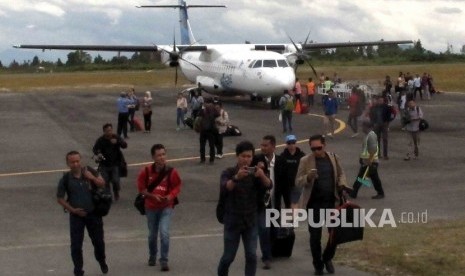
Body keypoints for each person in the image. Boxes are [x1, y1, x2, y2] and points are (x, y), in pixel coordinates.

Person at [292, 134, 350, 275]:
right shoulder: (305, 161)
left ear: (324, 145)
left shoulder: (333, 158)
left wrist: (342, 185)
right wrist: (308, 177)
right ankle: (318, 264)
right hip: (314, 204)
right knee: (315, 237)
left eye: (319, 148)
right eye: (313, 149)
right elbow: (298, 181)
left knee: (335, 235)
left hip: (332, 202)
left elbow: (341, 174)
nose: (316, 151)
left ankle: (327, 257)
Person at [217, 140, 272, 276]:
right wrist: (236, 178)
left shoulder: (255, 173)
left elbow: (269, 185)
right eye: (243, 156)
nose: (246, 159)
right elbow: (225, 187)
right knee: (228, 257)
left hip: (250, 220)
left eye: (249, 156)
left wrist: (262, 175)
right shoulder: (229, 172)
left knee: (252, 255)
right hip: (233, 221)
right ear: (237, 156)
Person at [56, 151, 108, 276]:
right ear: (68, 163)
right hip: (76, 216)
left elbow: (102, 183)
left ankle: (101, 260)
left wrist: (91, 177)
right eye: (72, 162)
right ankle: (78, 269)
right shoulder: (66, 178)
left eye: (77, 161)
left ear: (81, 161)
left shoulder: (89, 171)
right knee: (76, 245)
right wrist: (72, 210)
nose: (75, 164)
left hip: (93, 214)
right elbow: (60, 198)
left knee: (98, 242)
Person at [136, 144, 182, 272]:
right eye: (159, 155)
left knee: (164, 233)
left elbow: (177, 186)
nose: (162, 157)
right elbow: (141, 189)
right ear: (153, 157)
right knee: (152, 234)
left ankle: (164, 260)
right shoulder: (145, 172)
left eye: (163, 154)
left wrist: (169, 196)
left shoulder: (172, 172)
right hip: (150, 207)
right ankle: (152, 255)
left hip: (166, 207)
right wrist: (152, 196)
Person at [253, 135, 284, 269]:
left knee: (274, 229)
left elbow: (285, 185)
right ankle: (267, 257)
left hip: (275, 201)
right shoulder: (256, 160)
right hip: (261, 202)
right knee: (264, 228)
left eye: (266, 145)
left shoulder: (281, 161)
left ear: (273, 146)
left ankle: (270, 251)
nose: (263, 148)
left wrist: (289, 204)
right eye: (262, 145)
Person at [349, 121, 385, 199]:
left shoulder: (371, 136)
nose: (362, 128)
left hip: (370, 162)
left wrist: (369, 160)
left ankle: (354, 192)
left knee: (362, 177)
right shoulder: (368, 135)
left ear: (368, 127)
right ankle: (379, 192)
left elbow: (373, 149)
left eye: (363, 127)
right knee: (371, 178)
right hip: (368, 161)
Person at [92, 123, 128, 200]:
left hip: (115, 163)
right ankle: (108, 195)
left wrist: (118, 142)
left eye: (110, 130)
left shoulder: (116, 137)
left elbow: (125, 145)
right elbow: (95, 149)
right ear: (104, 132)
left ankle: (116, 191)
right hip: (104, 164)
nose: (110, 132)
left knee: (115, 180)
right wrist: (98, 153)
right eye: (107, 131)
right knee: (106, 180)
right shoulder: (100, 140)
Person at [279, 134, 305, 209]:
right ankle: (291, 217)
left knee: (294, 201)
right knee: (288, 202)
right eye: (289, 143)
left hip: (297, 183)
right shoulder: (283, 156)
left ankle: (294, 219)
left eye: (293, 142)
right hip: (285, 183)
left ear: (296, 143)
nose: (291, 145)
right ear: (286, 144)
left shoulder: (301, 155)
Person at [369, 96, 391, 160]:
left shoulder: (387, 107)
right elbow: (371, 115)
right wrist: (373, 122)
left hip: (384, 124)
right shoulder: (374, 108)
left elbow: (389, 116)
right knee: (377, 139)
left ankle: (385, 154)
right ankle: (378, 154)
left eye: (381, 100)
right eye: (379, 100)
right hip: (376, 124)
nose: (380, 102)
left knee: (385, 139)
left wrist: (387, 123)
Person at [199, 97, 219, 164]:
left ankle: (202, 159)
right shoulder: (213, 107)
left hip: (203, 129)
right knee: (211, 145)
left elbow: (199, 114)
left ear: (205, 102)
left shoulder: (203, 107)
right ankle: (211, 160)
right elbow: (217, 114)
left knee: (202, 145)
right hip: (211, 129)